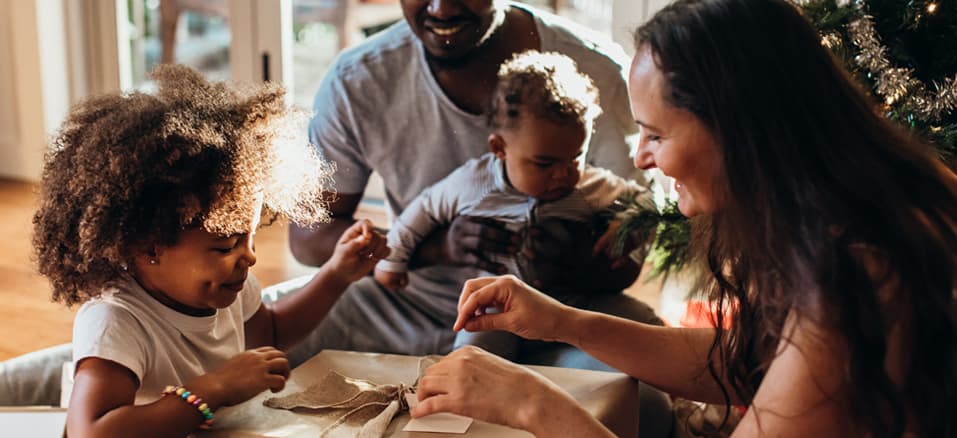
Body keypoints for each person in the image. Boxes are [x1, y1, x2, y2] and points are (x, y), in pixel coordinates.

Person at [408, 0, 957, 436]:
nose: (642, 157)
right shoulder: (853, 213)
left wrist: (531, 403)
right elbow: (745, 357)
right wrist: (560, 320)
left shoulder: (856, 273)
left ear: (735, 130)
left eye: (656, 134)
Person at [289, 2, 673, 434]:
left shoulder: (593, 72)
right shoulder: (360, 78)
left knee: (644, 411)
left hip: (567, 315)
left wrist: (575, 262)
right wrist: (437, 248)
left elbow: (636, 236)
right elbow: (307, 237)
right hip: (411, 306)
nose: (440, 7)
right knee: (265, 348)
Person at [32, 65, 389, 437]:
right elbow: (90, 431)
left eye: (249, 238)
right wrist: (214, 389)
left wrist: (336, 275)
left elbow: (270, 333)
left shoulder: (227, 288)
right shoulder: (116, 321)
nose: (248, 257)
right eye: (225, 245)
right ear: (148, 247)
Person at [373, 49, 651, 360]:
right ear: (500, 148)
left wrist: (625, 224)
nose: (563, 174)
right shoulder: (473, 183)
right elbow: (422, 209)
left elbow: (646, 200)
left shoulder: (589, 185)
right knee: (473, 353)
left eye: (574, 158)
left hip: (572, 301)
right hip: (497, 305)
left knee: (646, 323)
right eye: (544, 163)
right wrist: (392, 259)